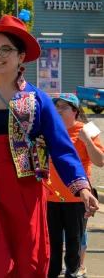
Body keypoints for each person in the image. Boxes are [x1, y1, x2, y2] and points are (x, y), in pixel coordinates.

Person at [0, 15, 99, 278]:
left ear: (21, 57)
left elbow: (61, 147)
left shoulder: (38, 99)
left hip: (22, 190)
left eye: (5, 49)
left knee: (26, 260)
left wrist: (82, 188)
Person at [47, 93, 104, 278]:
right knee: (52, 244)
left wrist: (87, 141)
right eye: (57, 106)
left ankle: (73, 272)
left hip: (77, 198)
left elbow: (100, 161)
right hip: (49, 197)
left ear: (75, 111)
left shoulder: (87, 129)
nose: (59, 110)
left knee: (74, 242)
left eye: (64, 107)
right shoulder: (49, 130)